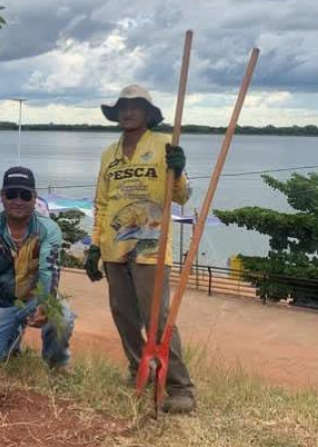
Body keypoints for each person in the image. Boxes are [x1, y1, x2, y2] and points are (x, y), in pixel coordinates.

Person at [84, 84, 196, 413]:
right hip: (114, 248)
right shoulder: (109, 154)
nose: (128, 112)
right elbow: (102, 203)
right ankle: (140, 370)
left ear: (148, 113)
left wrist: (178, 170)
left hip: (151, 246)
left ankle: (180, 387)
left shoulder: (165, 146)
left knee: (158, 319)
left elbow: (182, 196)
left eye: (135, 107)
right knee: (124, 316)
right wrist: (94, 246)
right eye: (123, 107)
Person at [0, 167, 75, 368]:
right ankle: (12, 335)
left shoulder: (49, 230)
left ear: (34, 197)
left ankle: (57, 364)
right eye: (11, 194)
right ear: (2, 196)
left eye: (25, 194)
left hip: (32, 299)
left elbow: (50, 270)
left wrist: (45, 304)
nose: (18, 200)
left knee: (61, 317)